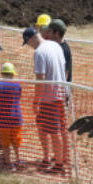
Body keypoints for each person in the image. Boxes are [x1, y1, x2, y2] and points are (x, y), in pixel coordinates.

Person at [24, 25, 68, 172]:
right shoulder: (55, 45)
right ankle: (49, 157)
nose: (29, 47)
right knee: (44, 127)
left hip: (49, 98)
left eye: (27, 43)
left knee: (54, 132)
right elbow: (64, 69)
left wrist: (36, 101)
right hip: (61, 94)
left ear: (30, 39)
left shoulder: (39, 52)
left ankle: (59, 164)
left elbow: (40, 79)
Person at [0, 62, 23, 168]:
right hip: (17, 118)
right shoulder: (17, 85)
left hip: (4, 120)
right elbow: (18, 98)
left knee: (5, 143)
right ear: (12, 74)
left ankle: (8, 163)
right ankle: (18, 160)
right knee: (16, 141)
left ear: (2, 74)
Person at [43, 18, 72, 83]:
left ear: (56, 33)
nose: (47, 34)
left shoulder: (63, 49)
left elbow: (65, 73)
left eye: (49, 31)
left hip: (60, 89)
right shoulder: (55, 46)